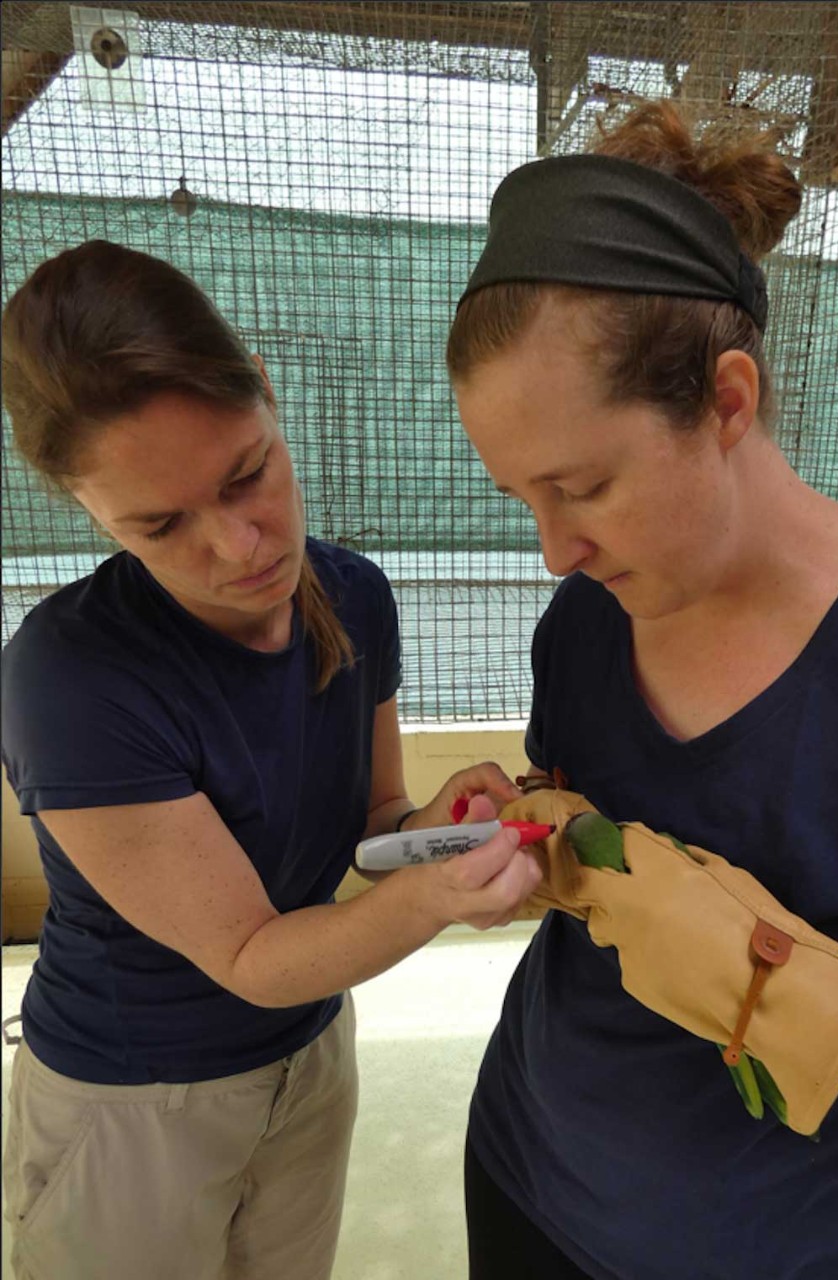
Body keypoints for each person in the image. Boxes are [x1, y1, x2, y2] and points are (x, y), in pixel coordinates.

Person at [445, 99, 838, 1280]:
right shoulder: (587, 619)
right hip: (529, 1176)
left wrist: (785, 982)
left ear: (727, 401)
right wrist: (541, 833)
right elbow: (595, 825)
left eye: (581, 485)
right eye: (523, 497)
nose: (553, 549)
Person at [0, 239, 543, 1280]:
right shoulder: (71, 676)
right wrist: (434, 900)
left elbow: (374, 822)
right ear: (90, 513)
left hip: (308, 1053)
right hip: (134, 1100)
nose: (240, 545)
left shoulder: (355, 594)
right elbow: (249, 953)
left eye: (248, 472)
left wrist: (434, 825)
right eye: (161, 526)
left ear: (268, 392)